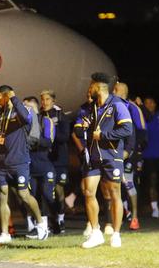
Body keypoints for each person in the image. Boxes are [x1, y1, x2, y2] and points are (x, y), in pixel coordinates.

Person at [0, 85, 48, 244]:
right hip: (2, 163)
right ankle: (5, 233)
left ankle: (41, 224)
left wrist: (13, 98)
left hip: (19, 162)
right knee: (2, 195)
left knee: (24, 195)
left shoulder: (21, 111)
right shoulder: (0, 113)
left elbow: (27, 119)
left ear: (7, 96)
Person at [78, 73, 133, 249]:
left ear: (99, 87)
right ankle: (96, 232)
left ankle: (116, 233)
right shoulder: (91, 107)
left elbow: (127, 129)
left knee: (114, 193)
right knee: (88, 192)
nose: (89, 89)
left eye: (91, 86)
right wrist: (86, 127)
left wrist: (103, 135)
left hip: (112, 155)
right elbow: (82, 128)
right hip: (94, 157)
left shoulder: (117, 104)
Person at [113, 82, 147, 229]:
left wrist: (136, 150)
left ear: (120, 92)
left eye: (115, 90)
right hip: (113, 150)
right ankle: (118, 215)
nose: (112, 92)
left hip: (130, 151)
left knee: (128, 182)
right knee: (113, 184)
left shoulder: (132, 107)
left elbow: (142, 130)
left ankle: (134, 217)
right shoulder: (110, 106)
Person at [23, 97, 57, 236]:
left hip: (44, 164)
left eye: (28, 107)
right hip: (30, 165)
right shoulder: (23, 123)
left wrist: (32, 141)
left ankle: (56, 221)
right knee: (32, 196)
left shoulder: (45, 121)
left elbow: (49, 141)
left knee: (48, 195)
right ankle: (40, 226)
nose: (25, 109)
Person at [40, 90, 71, 233]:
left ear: (53, 101)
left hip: (59, 159)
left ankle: (60, 217)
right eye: (43, 99)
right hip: (45, 159)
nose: (44, 102)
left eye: (47, 99)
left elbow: (65, 137)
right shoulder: (39, 116)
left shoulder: (60, 116)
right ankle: (47, 221)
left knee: (59, 190)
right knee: (46, 190)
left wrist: (51, 130)